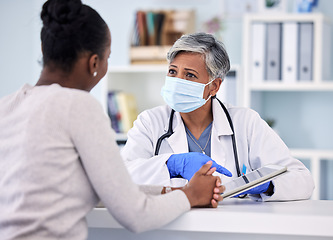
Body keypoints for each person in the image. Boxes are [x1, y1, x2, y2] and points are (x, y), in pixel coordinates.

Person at [0, 1, 225, 239]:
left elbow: (103, 188)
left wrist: (169, 190)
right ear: (94, 63)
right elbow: (136, 214)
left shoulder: (7, 106)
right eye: (107, 58)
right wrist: (191, 196)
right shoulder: (78, 106)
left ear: (44, 50)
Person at [122, 32, 315, 201]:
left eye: (189, 75)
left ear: (214, 86)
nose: (177, 81)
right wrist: (171, 165)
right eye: (173, 72)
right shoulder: (150, 122)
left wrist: (265, 184)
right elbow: (121, 177)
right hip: (172, 224)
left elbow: (302, 179)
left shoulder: (245, 122)